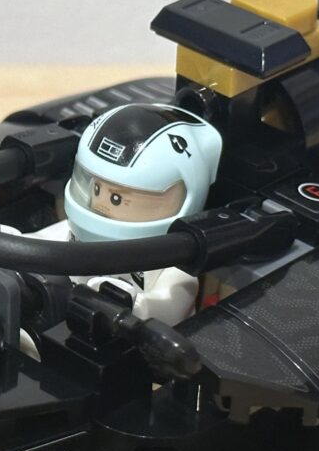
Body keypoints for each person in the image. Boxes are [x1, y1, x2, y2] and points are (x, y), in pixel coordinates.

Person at [31, 103, 223, 325]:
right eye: (96, 189)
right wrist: (20, 243)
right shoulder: (77, 232)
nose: (102, 204)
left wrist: (133, 305)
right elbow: (44, 245)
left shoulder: (174, 268)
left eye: (117, 199)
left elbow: (168, 308)